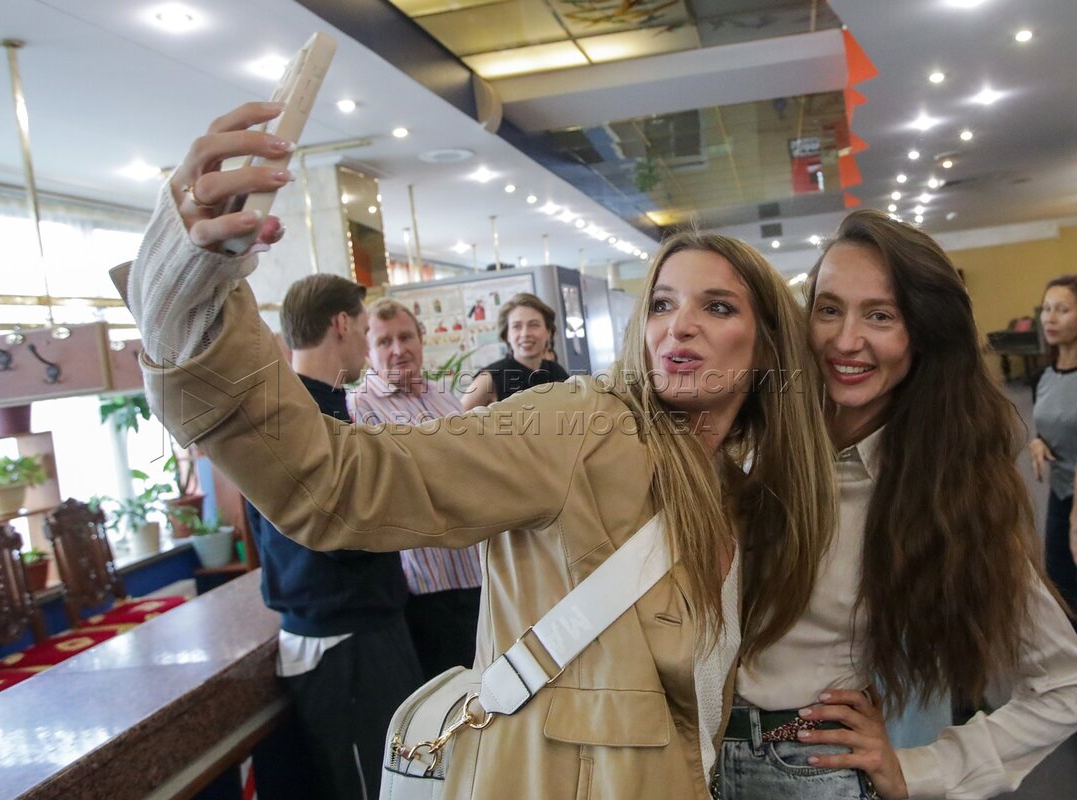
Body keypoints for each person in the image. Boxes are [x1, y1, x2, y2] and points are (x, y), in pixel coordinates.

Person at [125, 100, 838, 800]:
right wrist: (188, 296)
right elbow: (340, 482)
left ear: (766, 343)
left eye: (718, 306)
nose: (677, 326)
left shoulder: (736, 490)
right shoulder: (581, 428)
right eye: (661, 303)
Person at [717, 210, 1077, 800]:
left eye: (880, 315)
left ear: (923, 333)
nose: (845, 340)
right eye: (829, 309)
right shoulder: (752, 439)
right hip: (685, 759)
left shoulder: (944, 491)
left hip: (808, 771)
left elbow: (1064, 684)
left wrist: (923, 770)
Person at [240, 273, 426, 800]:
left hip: (364, 624)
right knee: (375, 786)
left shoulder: (318, 406)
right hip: (341, 638)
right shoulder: (299, 417)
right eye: (367, 331)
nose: (370, 347)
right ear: (341, 324)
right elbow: (337, 531)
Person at [347, 297, 483, 676]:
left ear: (421, 339)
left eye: (406, 337)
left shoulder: (444, 396)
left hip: (475, 571)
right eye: (384, 341)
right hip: (424, 585)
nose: (398, 349)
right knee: (447, 697)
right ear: (368, 352)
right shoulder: (358, 409)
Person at [1030, 274, 1077, 631]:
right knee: (1060, 581)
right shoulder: (1043, 376)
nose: (1050, 318)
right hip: (1061, 494)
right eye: (1046, 309)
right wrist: (1038, 441)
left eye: (1062, 309)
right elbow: (1047, 423)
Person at [461, 293, 570, 410]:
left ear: (548, 332)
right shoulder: (491, 377)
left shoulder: (556, 371)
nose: (525, 334)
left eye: (534, 325)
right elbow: (455, 418)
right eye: (516, 326)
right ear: (507, 335)